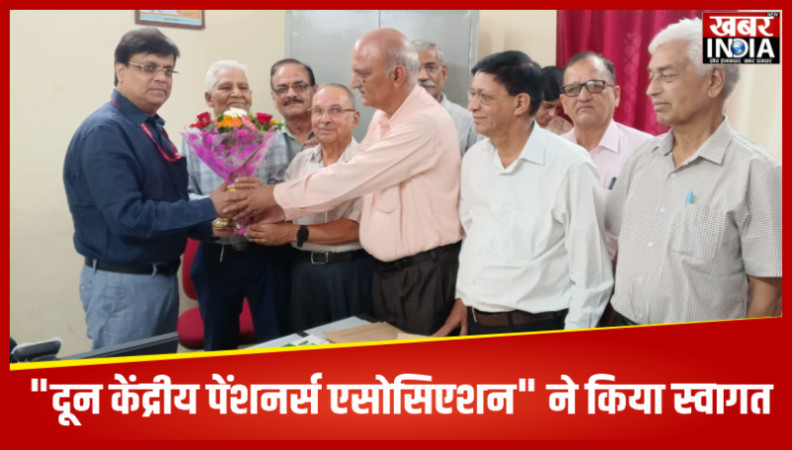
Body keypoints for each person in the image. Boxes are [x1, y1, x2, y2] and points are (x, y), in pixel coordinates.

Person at [226, 28, 463, 336]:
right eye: (319, 111)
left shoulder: (423, 122)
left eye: (363, 74)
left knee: (415, 361)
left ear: (397, 75)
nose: (354, 82)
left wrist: (271, 197)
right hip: (388, 273)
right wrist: (276, 210)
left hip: (421, 274)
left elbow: (351, 177)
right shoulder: (383, 116)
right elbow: (347, 176)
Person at [63, 28, 233, 352]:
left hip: (159, 278)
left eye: (168, 70)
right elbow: (129, 217)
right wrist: (210, 206)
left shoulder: (148, 127)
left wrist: (219, 224)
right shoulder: (106, 131)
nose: (161, 78)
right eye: (149, 67)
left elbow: (170, 204)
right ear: (120, 70)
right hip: (125, 284)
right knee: (123, 379)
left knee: (154, 377)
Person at [605, 18, 782, 326]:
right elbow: (621, 246)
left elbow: (768, 295)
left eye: (667, 75)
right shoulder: (641, 158)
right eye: (651, 76)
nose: (651, 90)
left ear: (714, 80)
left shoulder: (757, 171)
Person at [434, 51, 613, 337]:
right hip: (478, 323)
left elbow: (592, 274)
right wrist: (464, 298)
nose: (472, 106)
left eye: (484, 97)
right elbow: (473, 236)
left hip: (538, 326)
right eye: (473, 94)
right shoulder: (474, 159)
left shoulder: (570, 166)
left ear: (520, 103)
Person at [246, 84, 375, 330]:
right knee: (306, 346)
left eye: (335, 110)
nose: (325, 119)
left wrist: (292, 233)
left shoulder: (366, 163)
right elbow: (286, 210)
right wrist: (251, 204)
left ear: (355, 118)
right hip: (303, 272)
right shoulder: (301, 161)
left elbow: (356, 227)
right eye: (318, 111)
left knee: (352, 348)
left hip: (349, 272)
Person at [183, 60, 291, 350]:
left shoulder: (272, 137)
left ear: (251, 96)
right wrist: (218, 213)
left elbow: (285, 192)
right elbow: (184, 197)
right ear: (209, 98)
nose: (237, 93)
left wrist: (263, 196)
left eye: (243, 87)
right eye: (226, 87)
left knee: (276, 341)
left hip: (265, 254)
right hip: (215, 256)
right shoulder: (193, 141)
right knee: (218, 345)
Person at [560, 52, 652, 196]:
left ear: (616, 95)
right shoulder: (552, 151)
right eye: (573, 89)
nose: (583, 97)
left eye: (595, 86)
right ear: (564, 103)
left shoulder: (645, 150)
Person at [413, 39, 482, 154]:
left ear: (444, 73)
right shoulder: (391, 119)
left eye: (431, 67)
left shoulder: (468, 121)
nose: (422, 76)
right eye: (415, 68)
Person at [269, 58, 318, 162]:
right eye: (282, 89)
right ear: (273, 97)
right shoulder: (265, 141)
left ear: (315, 91)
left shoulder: (334, 132)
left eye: (299, 86)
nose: (291, 94)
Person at [536, 66, 573, 135]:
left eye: (558, 108)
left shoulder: (564, 128)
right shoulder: (516, 126)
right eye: (547, 106)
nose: (552, 114)